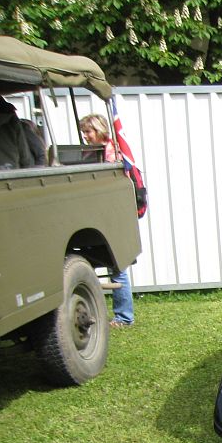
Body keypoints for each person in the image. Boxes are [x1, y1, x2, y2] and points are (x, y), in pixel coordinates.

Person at [80, 113, 134, 328]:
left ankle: (124, 317)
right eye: (84, 132)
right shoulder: (92, 153)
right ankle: (97, 314)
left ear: (99, 130)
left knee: (117, 269)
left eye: (88, 131)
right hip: (94, 217)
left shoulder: (113, 154)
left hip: (111, 218)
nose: (85, 136)